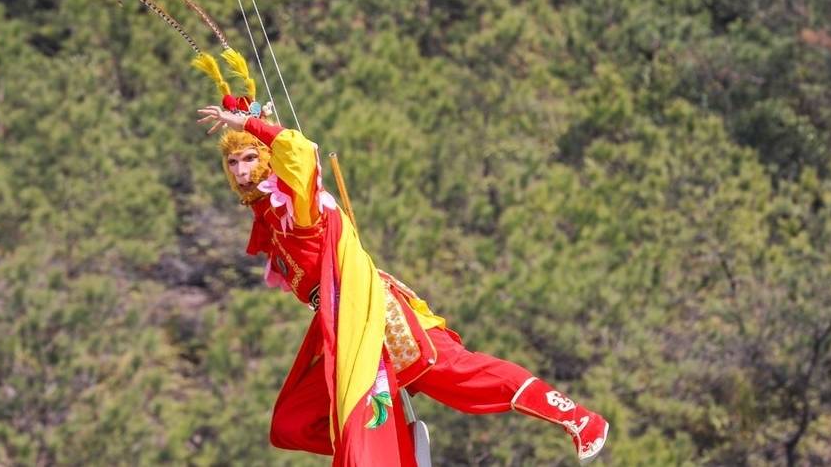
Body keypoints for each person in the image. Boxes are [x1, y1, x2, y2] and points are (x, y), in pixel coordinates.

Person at [194, 70, 609, 466]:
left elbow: (303, 153)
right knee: (291, 424)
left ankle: (578, 418)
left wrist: (253, 123)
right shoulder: (267, 214)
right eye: (233, 163)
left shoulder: (298, 206)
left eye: (250, 159)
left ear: (268, 162)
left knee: (458, 374)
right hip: (338, 323)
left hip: (373, 312)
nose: (242, 171)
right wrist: (250, 120)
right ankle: (395, 444)